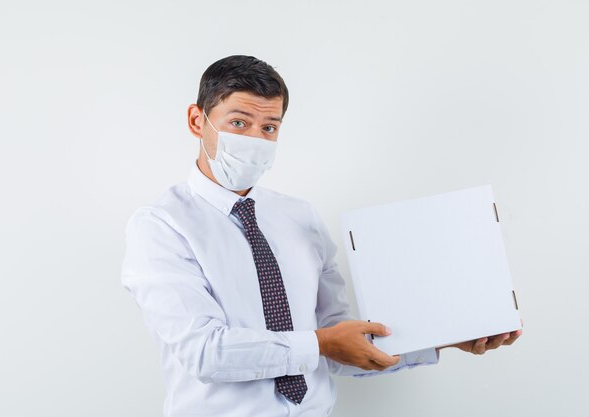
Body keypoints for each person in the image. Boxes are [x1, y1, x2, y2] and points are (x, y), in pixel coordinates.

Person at [120, 55, 523, 417]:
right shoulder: (160, 225)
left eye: (270, 127)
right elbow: (204, 352)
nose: (255, 140)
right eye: (239, 123)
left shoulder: (299, 216)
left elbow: (341, 341)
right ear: (197, 120)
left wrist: (444, 338)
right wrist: (322, 343)